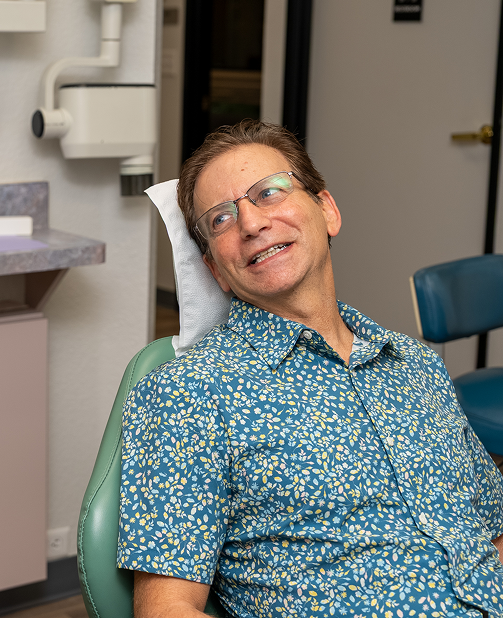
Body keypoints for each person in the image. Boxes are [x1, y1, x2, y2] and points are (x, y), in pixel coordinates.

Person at [118, 120, 503, 618]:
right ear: (216, 271)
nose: (250, 224)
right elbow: (166, 609)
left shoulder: (417, 366)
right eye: (221, 219)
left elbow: (492, 534)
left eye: (268, 192)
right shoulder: (190, 392)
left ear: (327, 211)